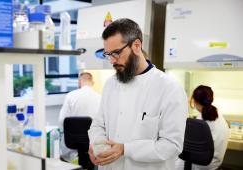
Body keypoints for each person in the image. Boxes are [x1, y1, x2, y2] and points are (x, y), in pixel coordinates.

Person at [88, 18, 188, 170]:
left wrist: (125, 149)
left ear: (136, 45)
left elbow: (171, 145)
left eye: (116, 53)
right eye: (108, 54)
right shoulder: (111, 84)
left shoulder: (169, 88)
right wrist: (97, 144)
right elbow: (98, 124)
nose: (112, 61)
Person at [176, 85, 230, 170]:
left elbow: (186, 148)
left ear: (194, 101)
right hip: (214, 164)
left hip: (199, 165)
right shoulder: (220, 117)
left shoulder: (199, 124)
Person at [59, 72, 101, 162]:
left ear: (79, 82)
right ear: (92, 82)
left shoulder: (70, 96)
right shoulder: (100, 97)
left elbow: (61, 120)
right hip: (93, 145)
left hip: (72, 144)